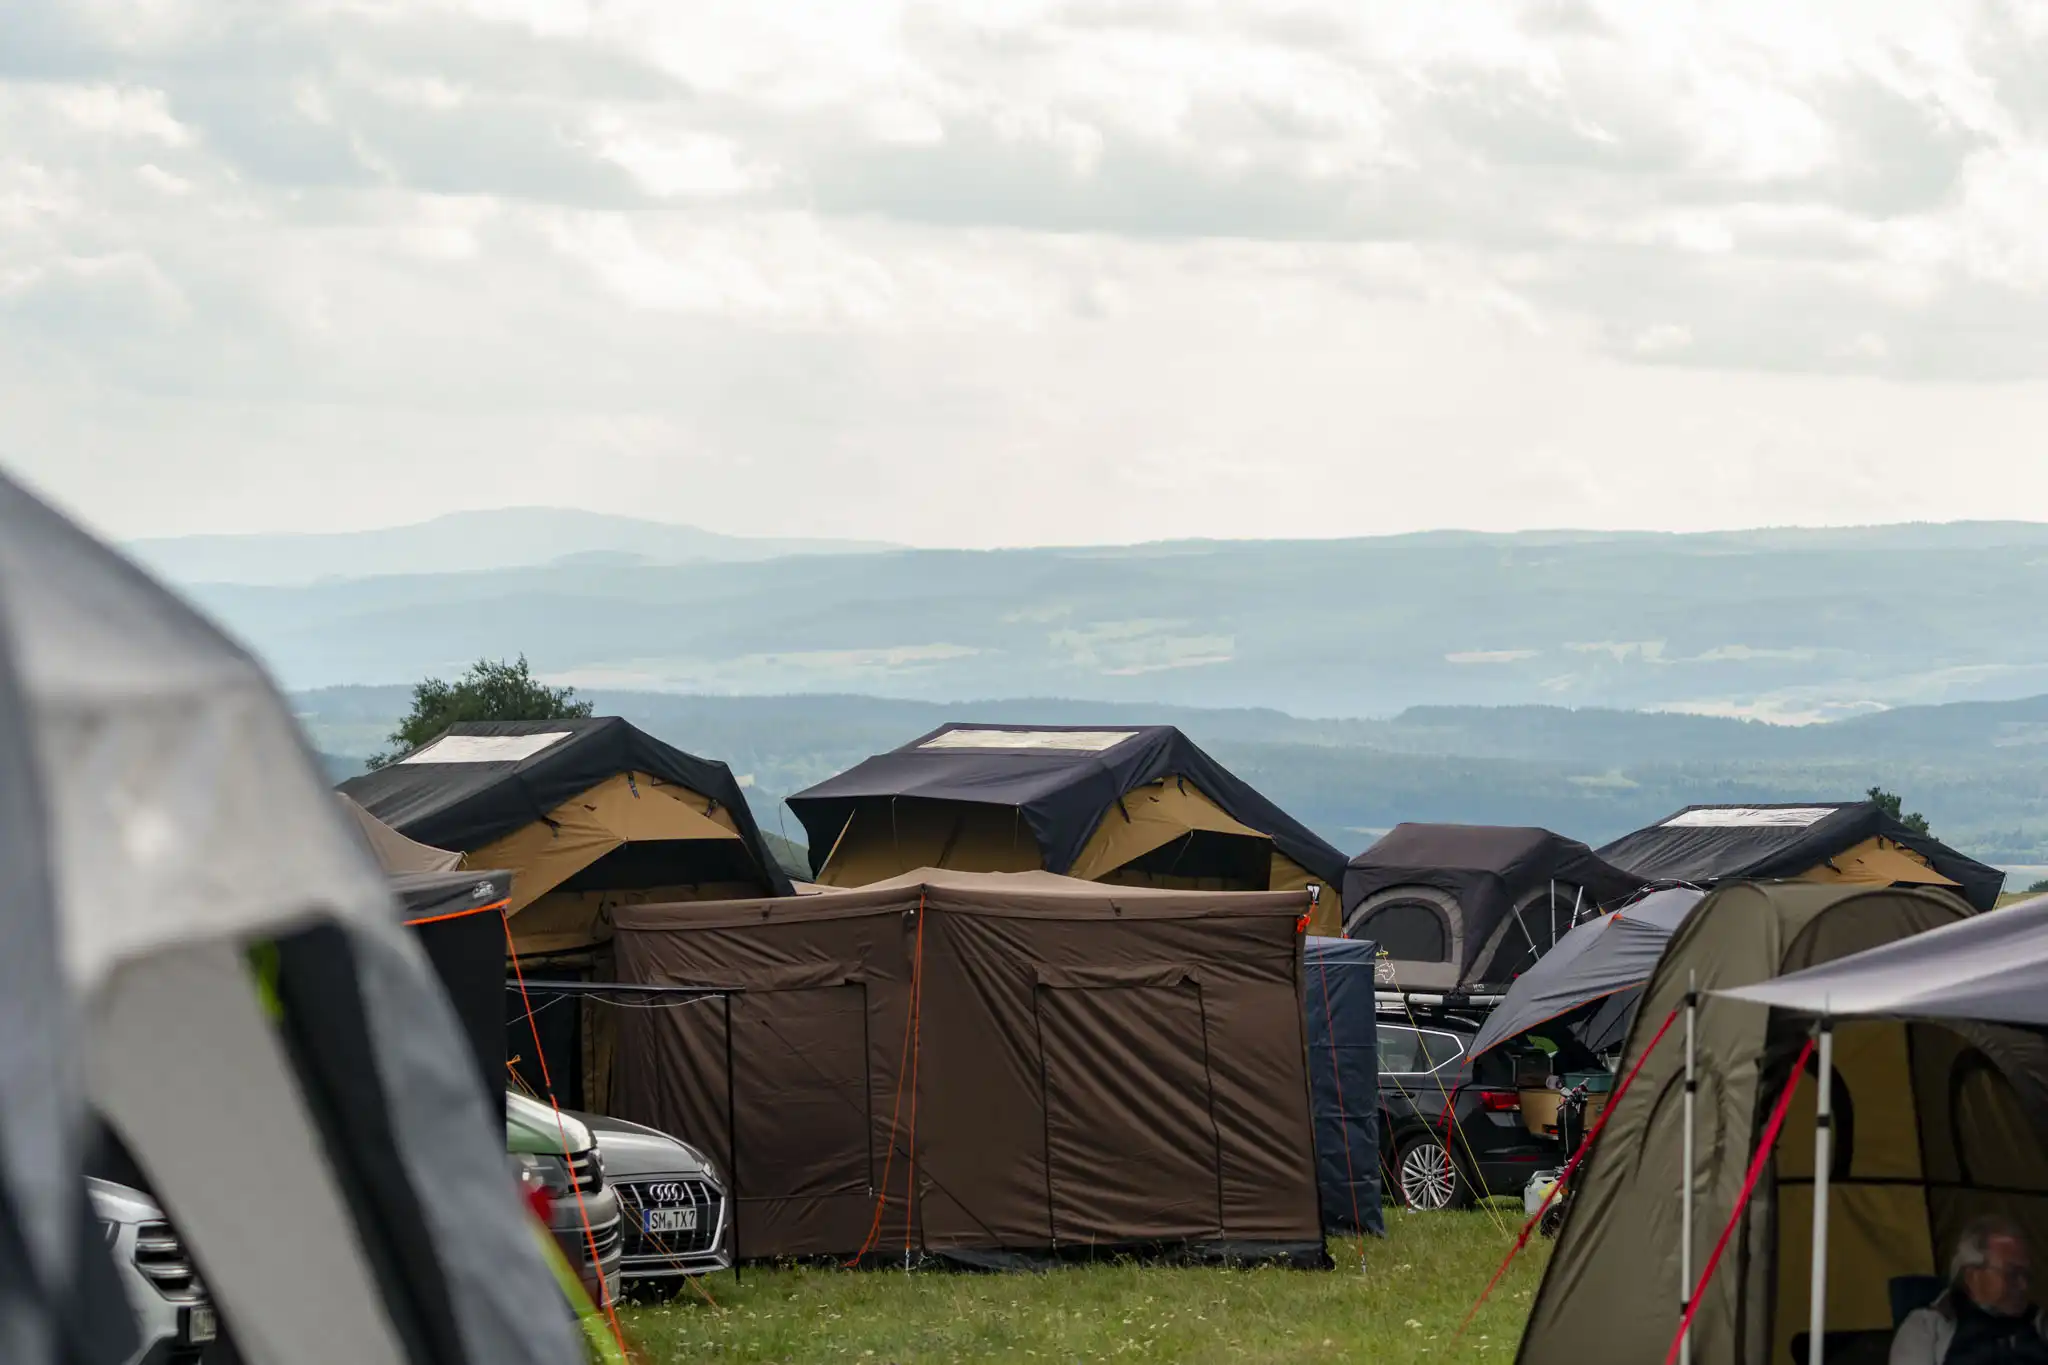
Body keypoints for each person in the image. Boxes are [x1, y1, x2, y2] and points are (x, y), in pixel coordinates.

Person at [1893, 1217, 2048, 1364]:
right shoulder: (1925, 1328)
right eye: (2012, 1273)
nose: (2023, 1285)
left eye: (2026, 1275)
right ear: (1973, 1276)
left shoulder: (2040, 1325)